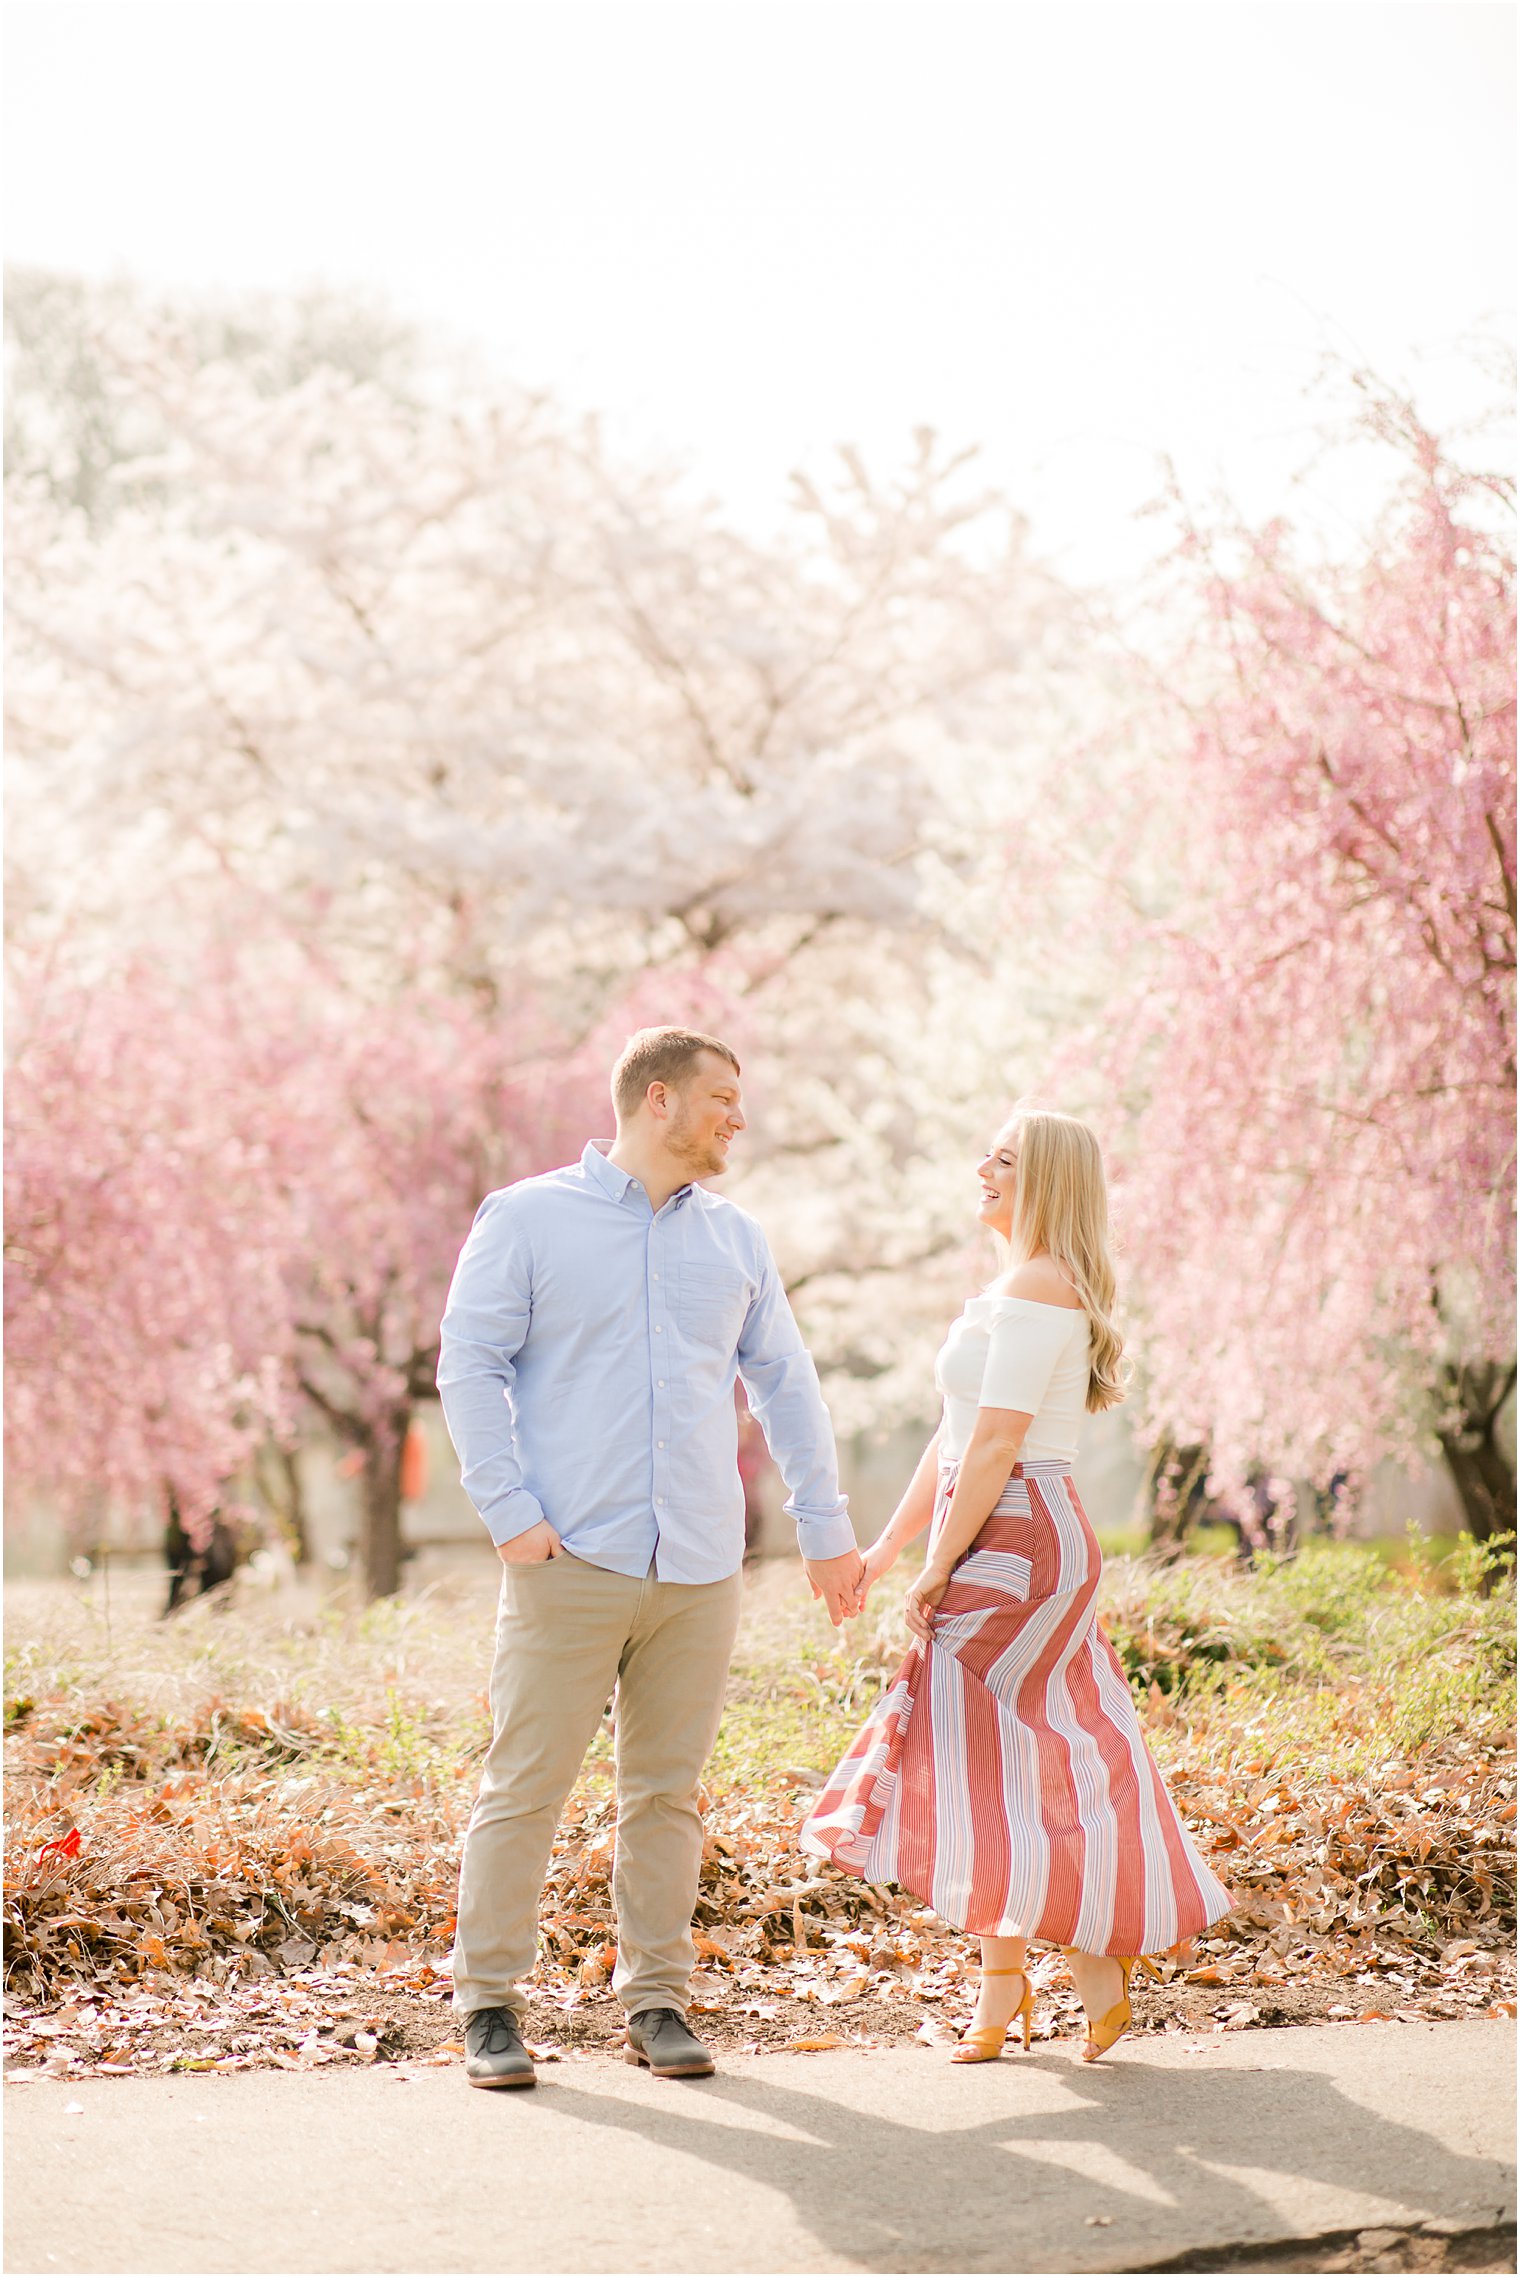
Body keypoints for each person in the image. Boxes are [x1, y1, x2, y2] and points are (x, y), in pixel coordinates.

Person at [438, 1025, 864, 2089]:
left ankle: (656, 1998)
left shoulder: (734, 1240)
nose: (739, 1116)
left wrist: (825, 1532)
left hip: (698, 1568)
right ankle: (487, 2003)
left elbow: (788, 1387)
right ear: (657, 1100)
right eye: (722, 1096)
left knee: (667, 1795)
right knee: (524, 1789)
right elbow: (467, 1363)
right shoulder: (528, 1219)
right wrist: (507, 1510)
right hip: (565, 1558)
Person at [800, 1107, 1233, 2063]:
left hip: (1020, 1533)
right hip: (1004, 1521)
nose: (981, 1169)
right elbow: (954, 1441)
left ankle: (1068, 1965)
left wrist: (940, 1562)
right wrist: (885, 1553)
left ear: (1047, 1182)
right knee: (993, 1754)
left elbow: (997, 1445)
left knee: (985, 1745)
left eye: (1005, 1159)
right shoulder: (1014, 1286)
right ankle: (1024, 1984)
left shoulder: (1041, 1285)